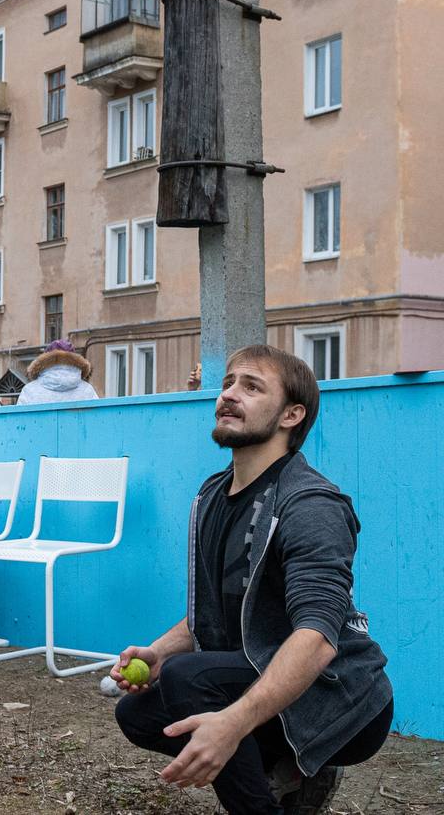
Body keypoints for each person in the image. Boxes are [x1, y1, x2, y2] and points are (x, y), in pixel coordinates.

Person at [111, 346, 393, 815]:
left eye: (252, 386)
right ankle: (292, 773)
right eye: (228, 383)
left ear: (291, 415)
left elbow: (319, 636)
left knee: (191, 680)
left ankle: (279, 788)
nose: (229, 395)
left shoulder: (310, 505)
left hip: (340, 697)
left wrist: (233, 722)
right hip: (266, 673)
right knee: (140, 714)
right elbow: (215, 607)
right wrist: (158, 652)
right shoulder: (213, 495)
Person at [16, 339, 98, 404]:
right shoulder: (87, 390)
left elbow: (19, 422)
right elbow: (98, 420)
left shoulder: (29, 391)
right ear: (76, 361)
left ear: (43, 360)